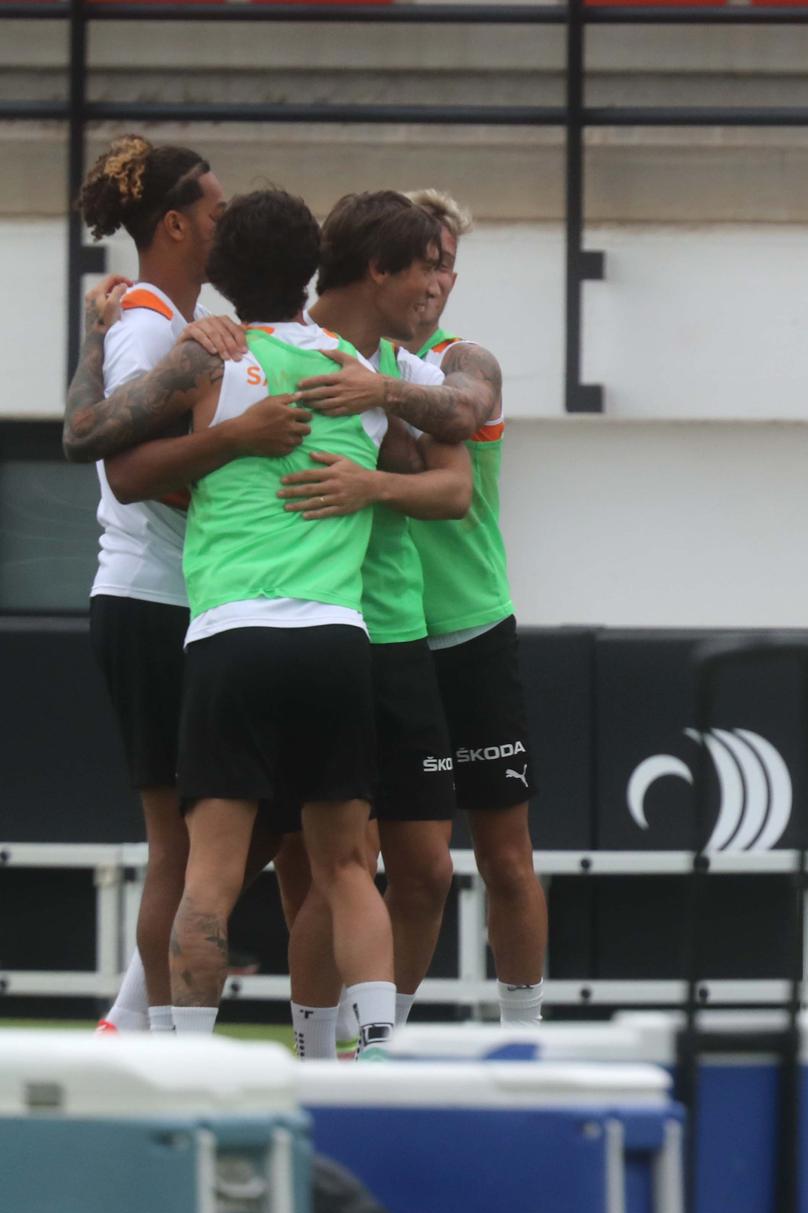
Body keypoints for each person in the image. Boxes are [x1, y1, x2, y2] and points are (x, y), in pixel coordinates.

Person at [62, 135, 303, 1038]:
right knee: (184, 843)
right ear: (172, 223)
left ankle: (135, 1021)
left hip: (172, 602)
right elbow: (124, 466)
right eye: (213, 208)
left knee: (240, 831)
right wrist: (238, 448)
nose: (225, 220)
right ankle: (147, 1035)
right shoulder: (151, 326)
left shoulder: (160, 319)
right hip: (152, 598)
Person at [272, 190, 473, 1057]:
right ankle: (319, 1056)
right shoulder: (276, 341)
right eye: (427, 265)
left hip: (395, 637)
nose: (441, 284)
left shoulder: (410, 370)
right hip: (303, 630)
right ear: (378, 269)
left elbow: (455, 488)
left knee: (426, 868)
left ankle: (380, 1047)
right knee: (330, 866)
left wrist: (375, 479)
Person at [388, 190, 545, 1028]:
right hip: (384, 638)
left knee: (506, 859)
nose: (440, 277)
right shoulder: (332, 355)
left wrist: (371, 386)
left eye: (450, 261)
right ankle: (376, 1044)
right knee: (403, 869)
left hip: (473, 629)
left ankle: (525, 1038)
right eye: (426, 259)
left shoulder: (464, 358)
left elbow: (464, 407)